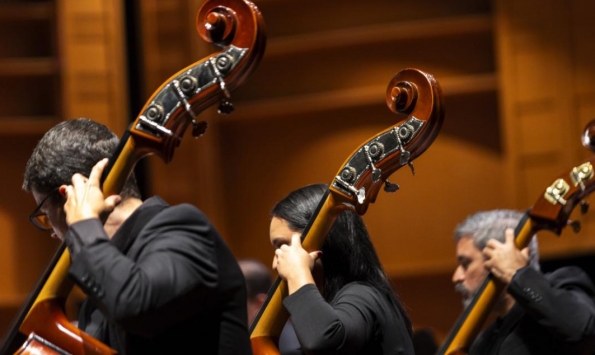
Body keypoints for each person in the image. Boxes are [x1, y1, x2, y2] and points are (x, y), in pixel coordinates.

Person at [22, 118, 251, 354]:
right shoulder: (94, 302)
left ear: (70, 197)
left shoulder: (184, 229)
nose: (52, 233)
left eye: (46, 216)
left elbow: (137, 305)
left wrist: (85, 227)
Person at [269, 183, 414, 354]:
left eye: (284, 246)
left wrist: (297, 273)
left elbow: (322, 340)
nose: (276, 263)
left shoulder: (363, 295)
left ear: (323, 238)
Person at [452, 209, 595, 354]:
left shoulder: (562, 283)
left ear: (499, 258)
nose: (456, 277)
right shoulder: (483, 342)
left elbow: (583, 330)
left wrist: (518, 273)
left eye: (465, 263)